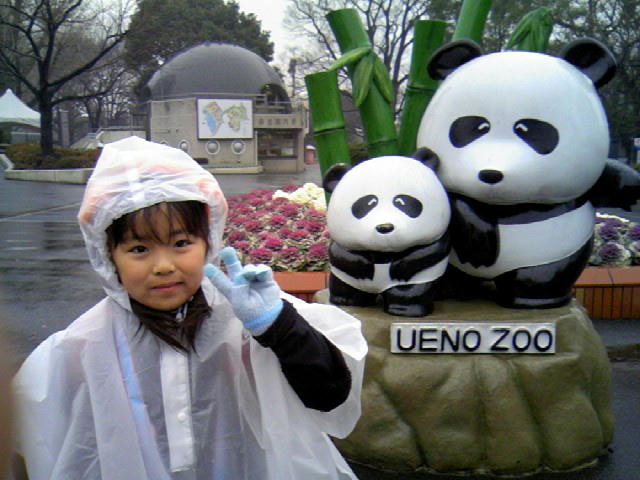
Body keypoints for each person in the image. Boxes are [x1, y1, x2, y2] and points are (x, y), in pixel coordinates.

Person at [12, 136, 367, 480]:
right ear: (108, 256)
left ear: (208, 241)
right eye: (139, 249)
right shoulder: (82, 347)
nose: (163, 265)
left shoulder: (247, 318)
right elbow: (35, 440)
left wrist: (278, 328)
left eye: (181, 243)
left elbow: (330, 395)